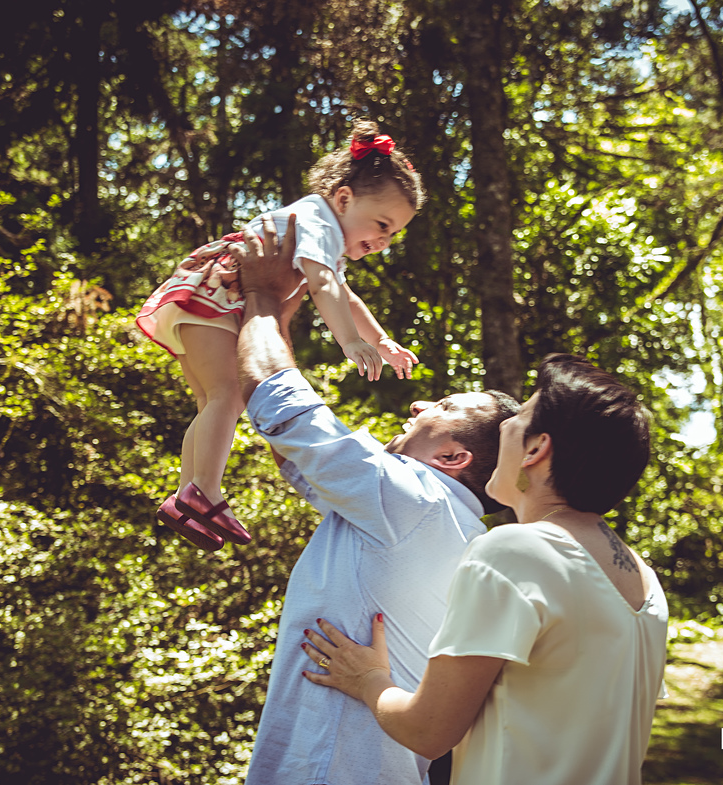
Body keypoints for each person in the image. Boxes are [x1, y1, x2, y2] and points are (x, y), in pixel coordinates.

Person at [230, 214, 519, 785]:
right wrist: (285, 311)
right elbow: (293, 453)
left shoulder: (417, 501)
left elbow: (282, 409)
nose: (417, 407)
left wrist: (261, 296)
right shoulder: (453, 530)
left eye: (439, 409)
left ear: (453, 458)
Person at [301, 353, 668, 785]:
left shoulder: (513, 551)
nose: (505, 429)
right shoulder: (644, 579)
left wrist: (369, 679)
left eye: (518, 419)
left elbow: (427, 731)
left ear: (536, 448)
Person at [137, 119, 423, 551]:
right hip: (219, 296)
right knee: (227, 397)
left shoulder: (326, 232)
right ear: (343, 198)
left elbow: (342, 291)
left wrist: (380, 339)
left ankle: (188, 496)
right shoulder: (319, 221)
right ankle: (203, 492)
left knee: (214, 402)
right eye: (381, 224)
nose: (384, 240)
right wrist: (351, 341)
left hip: (216, 301)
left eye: (394, 233)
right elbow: (325, 286)